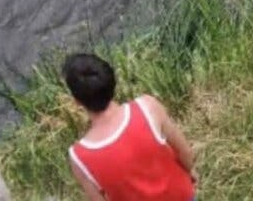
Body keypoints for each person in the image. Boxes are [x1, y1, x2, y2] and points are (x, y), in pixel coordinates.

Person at [63, 53, 197, 201]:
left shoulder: (79, 157)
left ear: (77, 101)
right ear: (112, 82)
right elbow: (185, 153)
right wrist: (190, 171)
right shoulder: (148, 108)